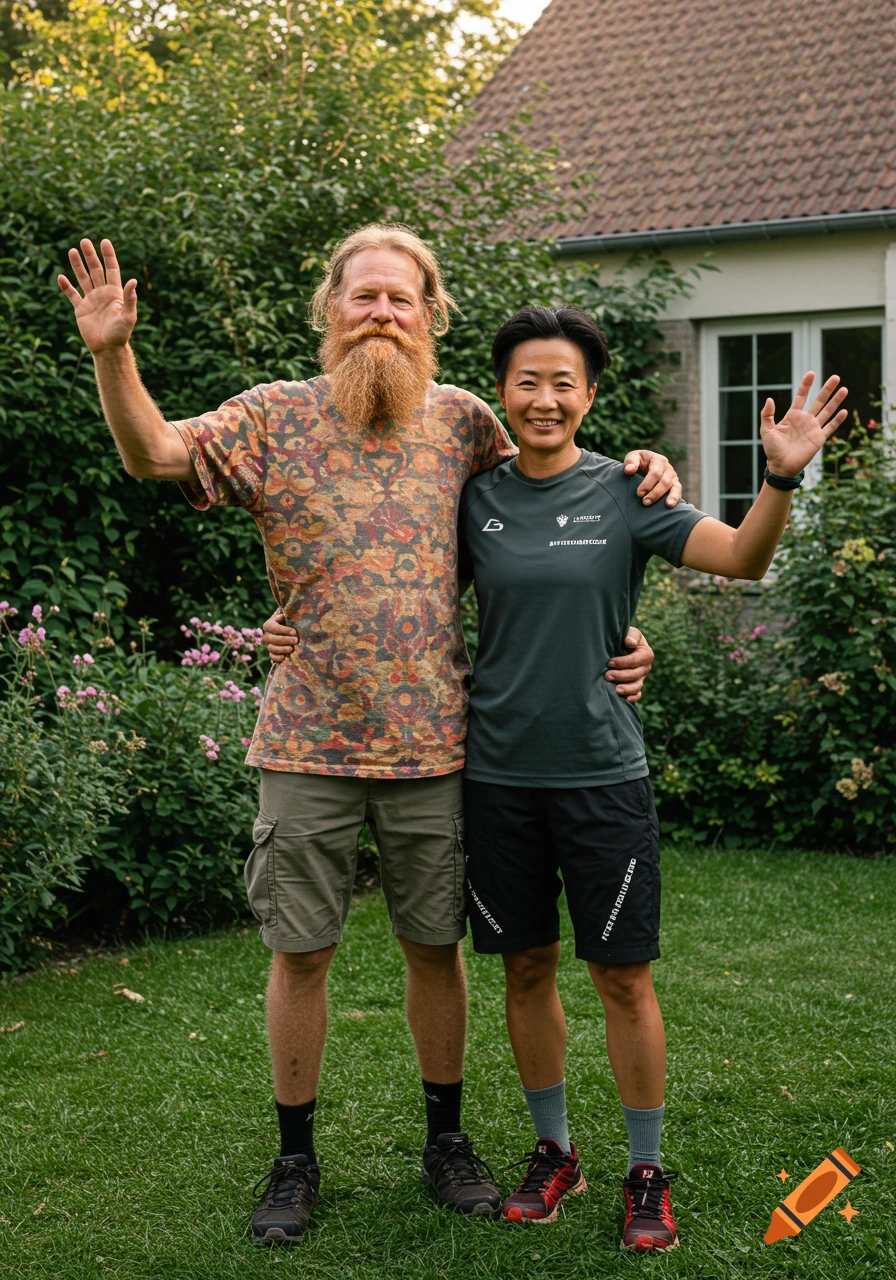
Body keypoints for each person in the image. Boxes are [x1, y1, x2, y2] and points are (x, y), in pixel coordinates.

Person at [57, 226, 679, 1246]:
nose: (381, 313)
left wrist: (639, 487)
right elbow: (154, 451)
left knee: (434, 948)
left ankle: (446, 1142)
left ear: (431, 316)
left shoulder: (467, 423)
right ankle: (294, 1158)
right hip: (306, 738)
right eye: (363, 297)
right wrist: (110, 352)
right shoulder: (271, 415)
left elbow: (551, 500)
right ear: (328, 310)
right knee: (300, 951)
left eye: (401, 298)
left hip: (437, 745)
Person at [451, 306, 845, 1250]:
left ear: (590, 394)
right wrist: (295, 625)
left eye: (564, 382)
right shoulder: (473, 497)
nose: (545, 398)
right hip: (496, 774)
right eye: (527, 381)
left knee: (621, 976)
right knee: (526, 966)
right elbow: (394, 592)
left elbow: (744, 560)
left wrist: (781, 476)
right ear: (502, 391)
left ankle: (644, 1171)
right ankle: (557, 1155)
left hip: (600, 775)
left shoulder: (629, 490)